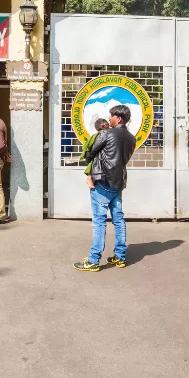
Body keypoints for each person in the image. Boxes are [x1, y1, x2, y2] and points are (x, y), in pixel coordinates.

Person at [73, 104, 136, 272]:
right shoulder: (131, 138)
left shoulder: (107, 134)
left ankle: (94, 260)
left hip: (102, 182)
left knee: (99, 221)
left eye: (112, 116)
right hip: (119, 183)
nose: (109, 118)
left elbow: (91, 151)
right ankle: (120, 256)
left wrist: (90, 164)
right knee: (119, 219)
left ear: (119, 118)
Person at [83, 118, 110, 188]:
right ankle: (89, 178)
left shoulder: (101, 134)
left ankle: (89, 178)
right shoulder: (102, 134)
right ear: (102, 126)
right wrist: (88, 158)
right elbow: (94, 149)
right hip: (96, 161)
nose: (109, 126)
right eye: (107, 124)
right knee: (92, 163)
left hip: (96, 160)